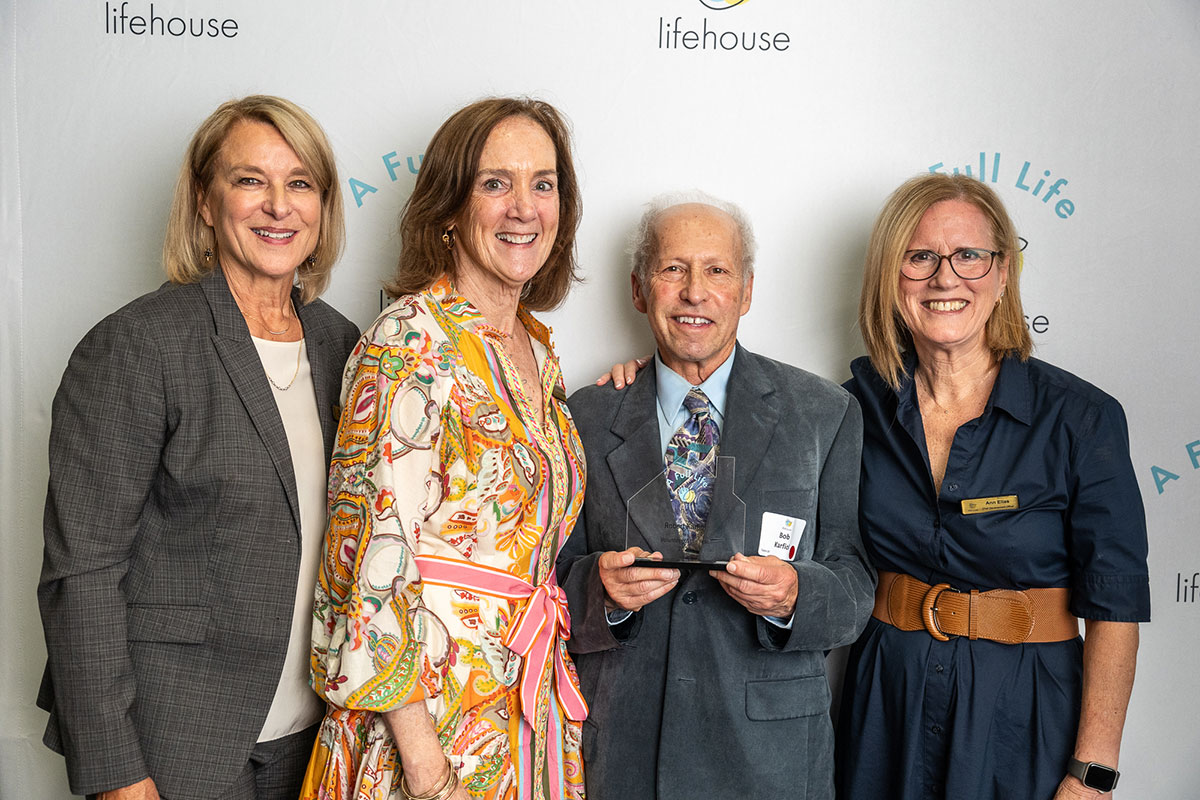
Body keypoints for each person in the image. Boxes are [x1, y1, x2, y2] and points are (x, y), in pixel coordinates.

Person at [36, 95, 360, 800]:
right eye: (250, 180)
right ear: (206, 203)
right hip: (176, 743)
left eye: (300, 183)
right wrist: (119, 775)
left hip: (314, 749)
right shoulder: (137, 345)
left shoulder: (347, 347)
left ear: (323, 208)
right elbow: (82, 574)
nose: (278, 205)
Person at [303, 97, 587, 800]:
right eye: (496, 183)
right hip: (428, 733)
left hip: (524, 712)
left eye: (543, 183)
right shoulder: (408, 341)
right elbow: (367, 567)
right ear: (450, 209)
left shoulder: (539, 351)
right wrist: (427, 774)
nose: (524, 207)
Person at [835, 173, 1149, 800]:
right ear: (890, 278)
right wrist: (660, 374)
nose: (945, 278)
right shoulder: (850, 410)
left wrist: (1093, 773)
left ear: (1004, 274)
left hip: (1024, 718)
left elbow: (1114, 605)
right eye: (919, 257)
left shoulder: (1081, 418)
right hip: (883, 712)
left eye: (970, 256)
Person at [556, 194, 874, 800]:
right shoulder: (585, 416)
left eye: (717, 271)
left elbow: (855, 584)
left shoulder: (823, 413)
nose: (694, 292)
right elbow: (545, 582)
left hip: (772, 758)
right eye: (672, 268)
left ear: (747, 291)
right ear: (638, 289)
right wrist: (602, 589)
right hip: (624, 750)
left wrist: (795, 594)